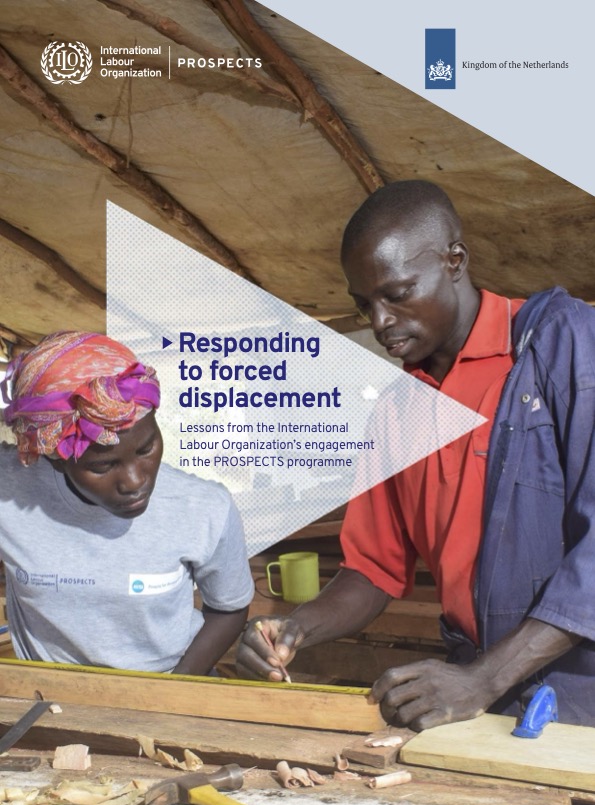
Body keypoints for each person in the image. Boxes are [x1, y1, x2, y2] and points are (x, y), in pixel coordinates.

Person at [237, 179, 595, 730]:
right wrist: (295, 629)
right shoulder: (396, 411)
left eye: (398, 293)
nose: (379, 321)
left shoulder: (563, 344)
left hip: (579, 689)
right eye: (364, 304)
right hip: (480, 686)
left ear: (455, 261)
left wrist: (485, 678)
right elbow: (373, 570)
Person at [0, 331, 254, 674]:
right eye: (103, 466)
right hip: (47, 694)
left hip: (171, 685)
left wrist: (175, 690)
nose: (135, 481)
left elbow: (229, 608)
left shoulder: (204, 509)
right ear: (56, 460)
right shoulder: (10, 490)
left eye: (146, 448)